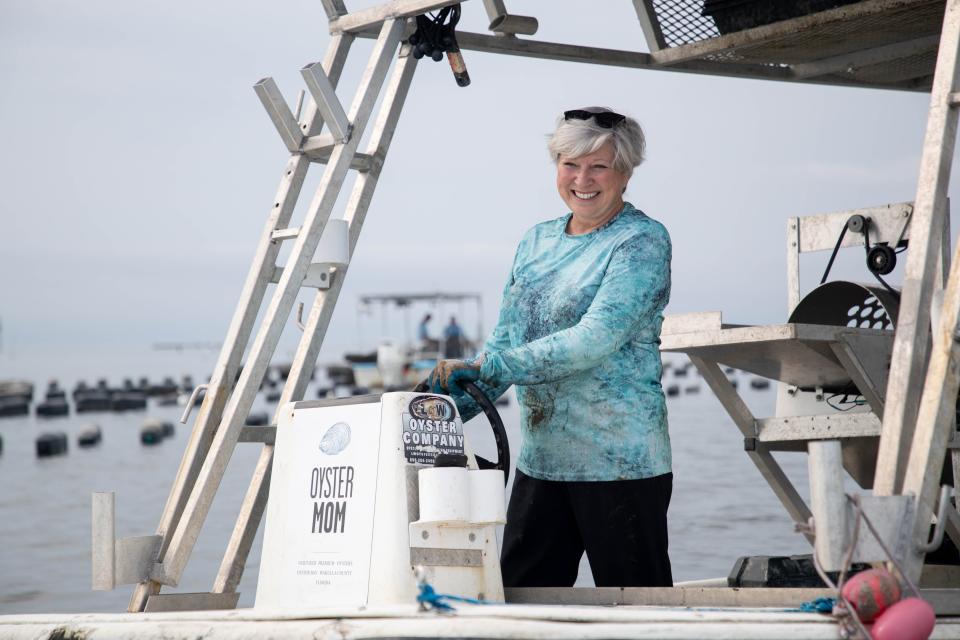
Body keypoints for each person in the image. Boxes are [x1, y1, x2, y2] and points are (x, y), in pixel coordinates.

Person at [428, 107, 672, 588]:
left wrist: (494, 364)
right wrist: (441, 412)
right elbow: (506, 339)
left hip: (621, 466)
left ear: (625, 173)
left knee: (637, 610)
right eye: (569, 164)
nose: (582, 179)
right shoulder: (536, 240)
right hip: (542, 462)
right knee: (521, 596)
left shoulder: (642, 240)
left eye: (598, 166)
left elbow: (594, 339)